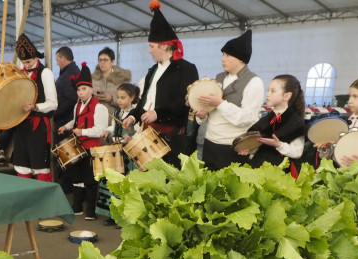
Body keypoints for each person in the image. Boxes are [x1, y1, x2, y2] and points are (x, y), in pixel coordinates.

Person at [122, 1, 198, 168]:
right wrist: (133, 116)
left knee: (170, 183)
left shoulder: (186, 69)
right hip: (148, 133)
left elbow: (184, 101)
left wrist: (158, 113)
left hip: (172, 137)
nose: (149, 51)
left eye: (151, 46)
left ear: (163, 46)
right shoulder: (152, 71)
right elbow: (144, 101)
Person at [194, 29, 264, 171]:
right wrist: (203, 115)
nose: (222, 59)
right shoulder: (219, 77)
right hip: (209, 143)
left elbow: (247, 118)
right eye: (223, 55)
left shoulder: (254, 82)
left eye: (227, 55)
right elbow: (211, 111)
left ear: (240, 58)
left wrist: (220, 103)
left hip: (232, 147)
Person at [57, 63, 108, 220]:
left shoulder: (100, 108)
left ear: (91, 89)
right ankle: (77, 207)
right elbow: (76, 120)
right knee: (76, 178)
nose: (80, 92)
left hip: (92, 148)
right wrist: (66, 126)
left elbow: (100, 130)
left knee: (90, 180)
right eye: (78, 90)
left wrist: (82, 132)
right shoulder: (77, 105)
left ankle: (90, 213)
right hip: (78, 146)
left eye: (84, 89)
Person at [237, 75, 306, 177]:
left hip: (280, 172)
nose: (267, 94)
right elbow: (258, 143)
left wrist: (279, 145)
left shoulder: (296, 123)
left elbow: (297, 152)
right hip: (258, 166)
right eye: (268, 90)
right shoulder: (266, 119)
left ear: (286, 96)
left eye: (272, 91)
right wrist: (249, 149)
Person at [14, 33, 58, 182]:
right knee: (22, 164)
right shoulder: (20, 74)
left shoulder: (45, 73)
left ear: (35, 57)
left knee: (39, 164)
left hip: (38, 126)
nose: (26, 65)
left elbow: (53, 103)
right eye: (24, 62)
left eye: (29, 61)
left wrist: (36, 107)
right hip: (21, 125)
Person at [314, 76, 358, 162]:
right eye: (350, 96)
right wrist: (329, 147)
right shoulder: (349, 120)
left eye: (355, 97)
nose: (350, 101)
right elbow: (339, 154)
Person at [98, 83, 141, 223]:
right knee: (112, 181)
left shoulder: (137, 114)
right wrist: (107, 131)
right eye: (118, 97)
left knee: (125, 183)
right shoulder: (117, 113)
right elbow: (113, 125)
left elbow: (140, 131)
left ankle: (124, 216)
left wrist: (131, 137)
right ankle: (113, 215)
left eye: (123, 97)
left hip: (129, 152)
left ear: (132, 98)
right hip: (116, 149)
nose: (120, 100)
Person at [92, 46, 131, 123]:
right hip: (95, 120)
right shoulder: (93, 79)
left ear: (112, 62)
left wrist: (112, 99)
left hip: (114, 120)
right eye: (100, 60)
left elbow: (127, 101)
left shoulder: (121, 79)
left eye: (105, 60)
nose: (102, 62)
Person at [54, 46, 80, 136]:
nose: (57, 63)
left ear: (63, 58)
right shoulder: (71, 71)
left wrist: (55, 114)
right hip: (66, 119)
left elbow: (72, 99)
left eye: (57, 60)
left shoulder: (69, 75)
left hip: (65, 120)